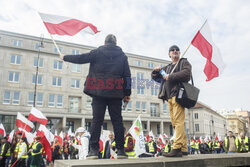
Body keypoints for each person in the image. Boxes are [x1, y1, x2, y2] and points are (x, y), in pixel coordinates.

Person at [61, 34, 131, 159]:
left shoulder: (98, 52)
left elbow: (81, 58)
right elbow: (127, 76)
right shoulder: (122, 56)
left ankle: (93, 151)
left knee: (96, 121)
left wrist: (65, 57)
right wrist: (127, 94)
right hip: (115, 92)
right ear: (115, 43)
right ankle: (121, 150)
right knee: (117, 121)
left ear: (105, 42)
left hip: (98, 91)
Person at [152, 45, 191, 157]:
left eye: (177, 50)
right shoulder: (168, 67)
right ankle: (183, 148)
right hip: (169, 97)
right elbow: (155, 77)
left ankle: (177, 147)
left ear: (179, 53)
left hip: (178, 95)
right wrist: (156, 71)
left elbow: (187, 74)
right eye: (172, 50)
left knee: (178, 122)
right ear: (169, 54)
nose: (175, 51)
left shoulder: (183, 62)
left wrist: (171, 76)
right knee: (175, 123)